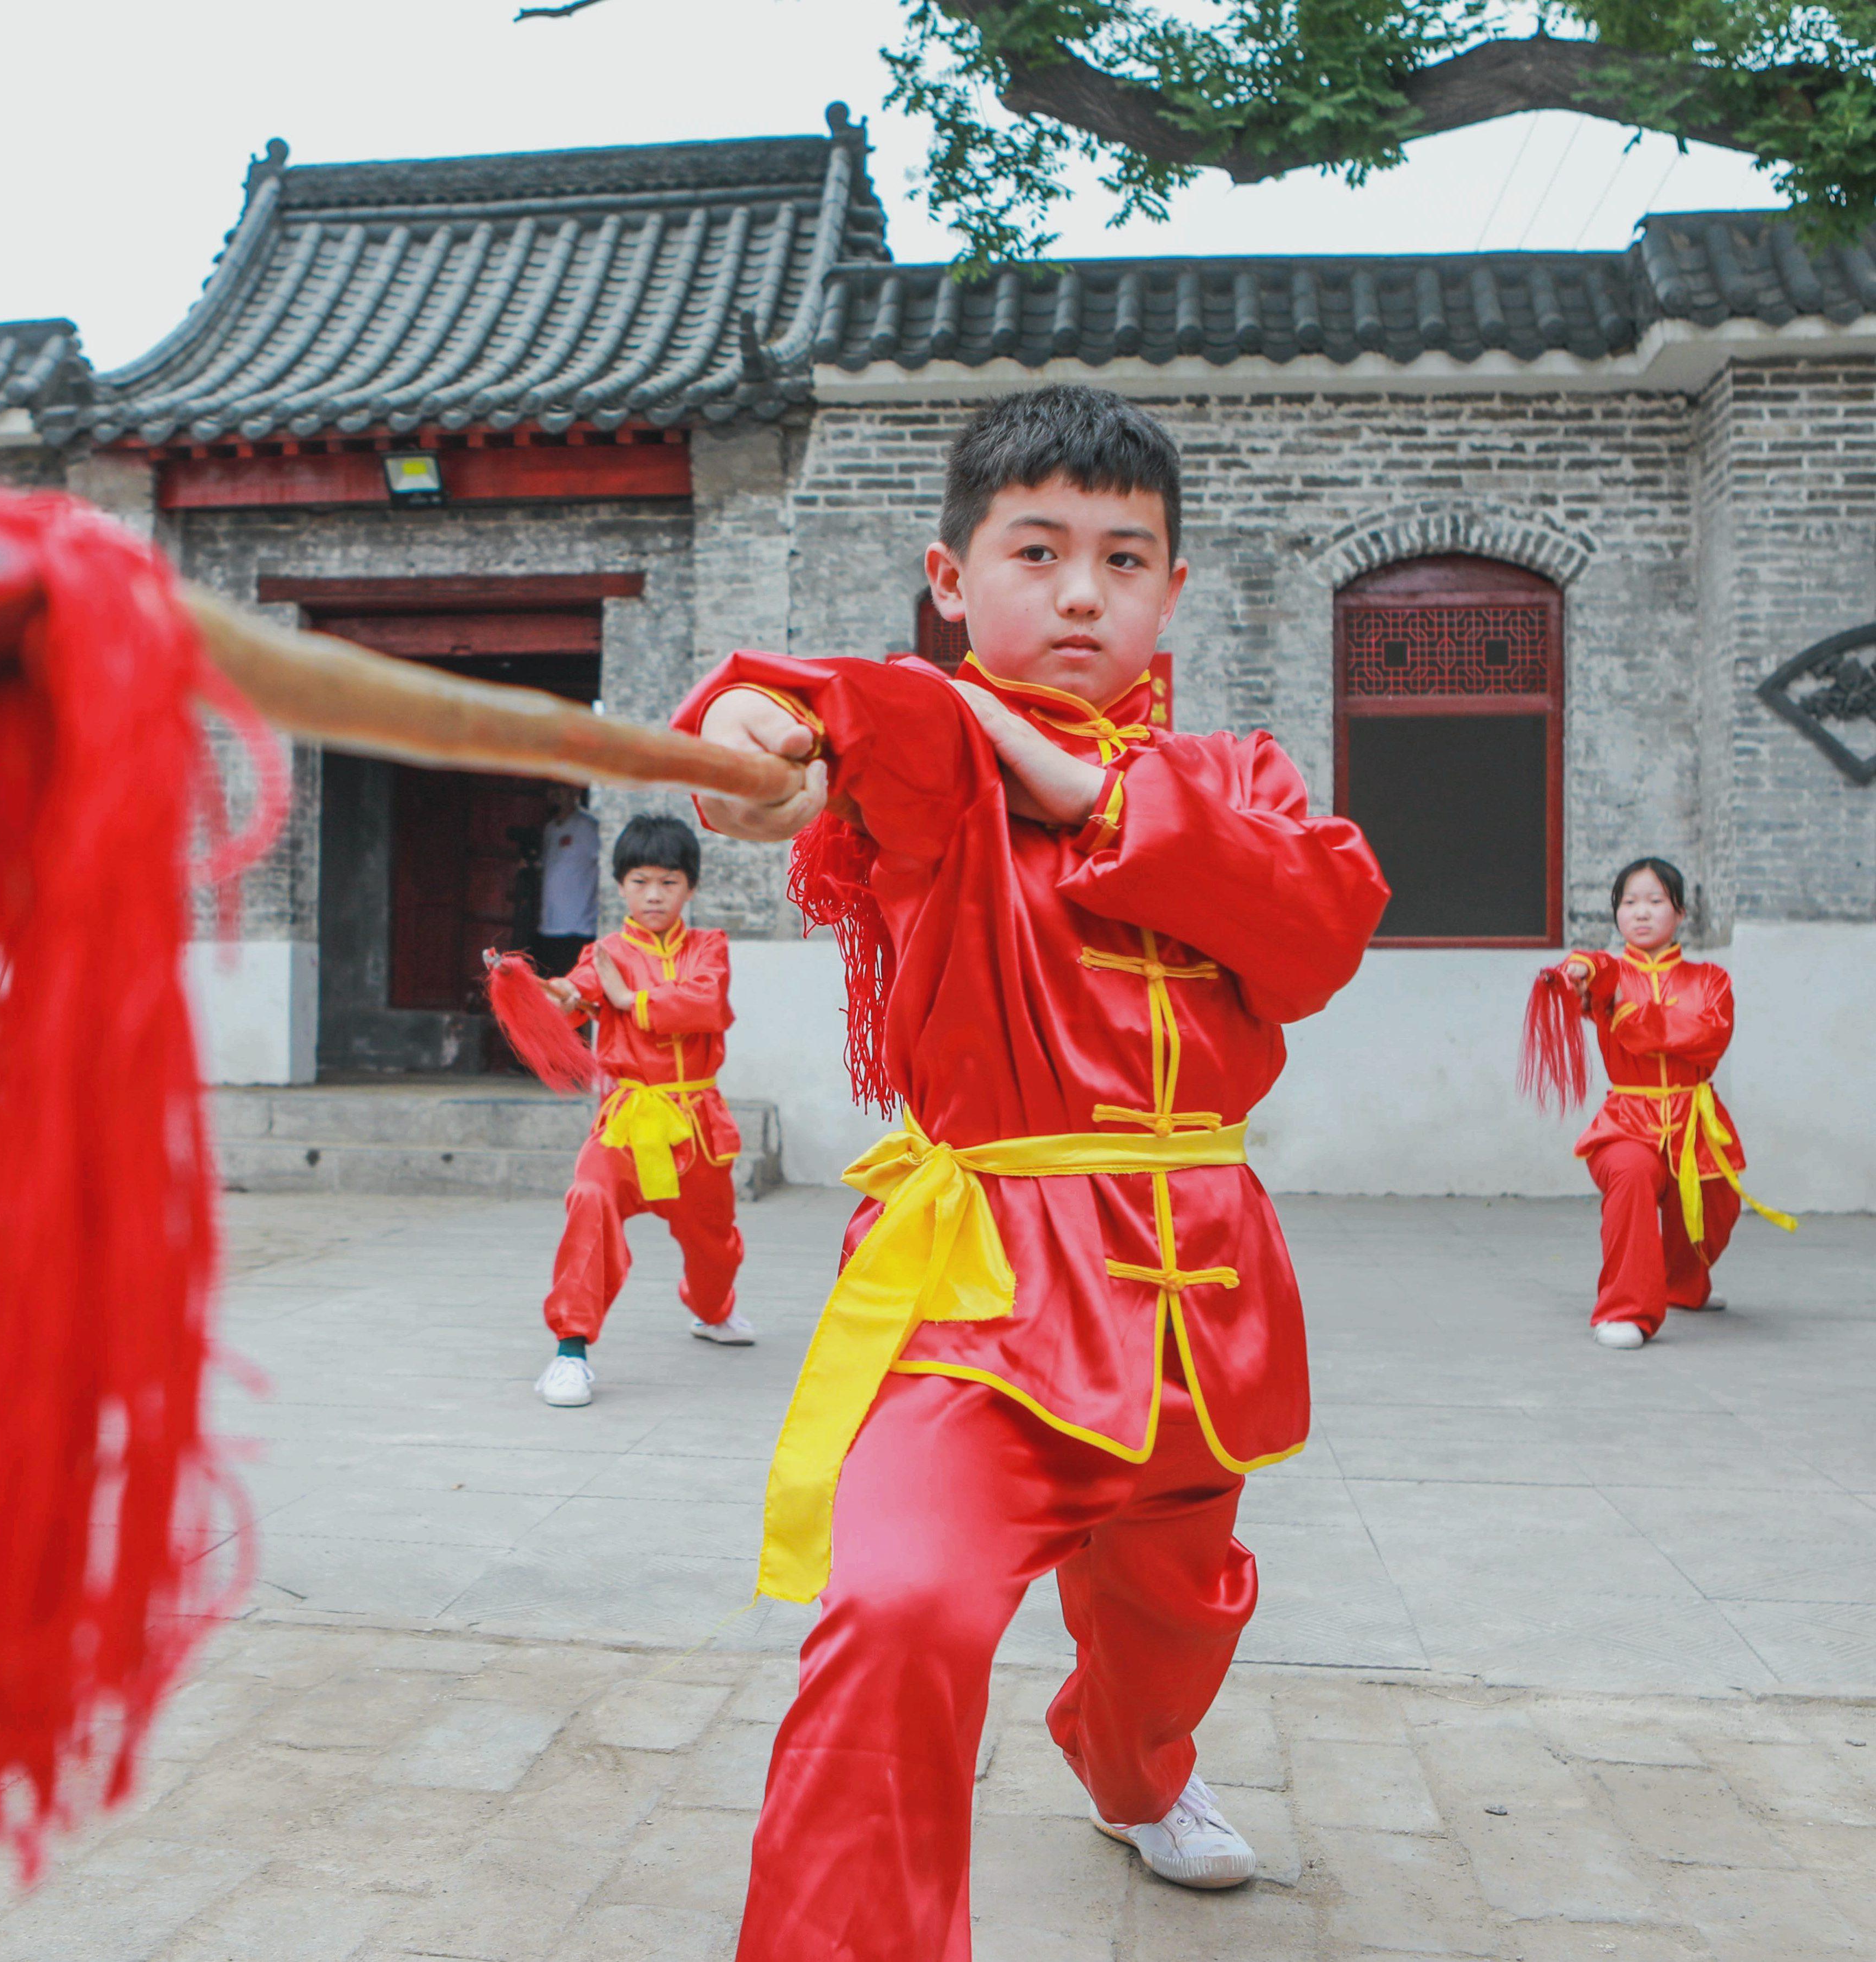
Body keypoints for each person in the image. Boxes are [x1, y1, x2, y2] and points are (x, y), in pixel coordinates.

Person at [679, 384, 1388, 1955]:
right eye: (1038, 549)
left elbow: (1318, 921)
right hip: (983, 1299)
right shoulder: (942, 765)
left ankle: (1130, 1772)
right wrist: (757, 739)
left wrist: (1084, 785)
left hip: (1201, 1301)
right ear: (953, 578)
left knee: (1175, 1632)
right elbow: (821, 721)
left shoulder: (1242, 777)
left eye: (1123, 558)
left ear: (1173, 591)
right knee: (901, 1607)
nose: (1080, 592)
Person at [532, 813, 749, 1408]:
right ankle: (570, 1352)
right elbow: (575, 995)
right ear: (620, 886)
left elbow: (706, 1004)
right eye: (640, 881)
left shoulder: (710, 948)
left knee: (715, 1245)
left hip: (696, 1127)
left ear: (691, 888)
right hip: (627, 1124)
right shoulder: (602, 952)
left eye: (669, 882)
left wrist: (631, 1000)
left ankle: (711, 1312)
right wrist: (562, 998)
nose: (654, 895)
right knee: (590, 1200)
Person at [1549, 857, 1793, 1351]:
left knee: (1717, 1207)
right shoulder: (1612, 975)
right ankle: (1625, 1309)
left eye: (1655, 901)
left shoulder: (1711, 981)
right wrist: (1578, 969)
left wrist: (1631, 1020)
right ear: (1616, 914)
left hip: (1695, 1121)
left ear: (1679, 911)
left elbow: (1706, 1037)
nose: (1641, 913)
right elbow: (1590, 971)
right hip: (1627, 1123)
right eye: (1629, 903)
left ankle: (1684, 1285)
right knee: (1633, 1174)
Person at [531, 784, 601, 977]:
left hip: (577, 928)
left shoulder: (587, 827)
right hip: (548, 925)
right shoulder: (551, 828)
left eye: (562, 789)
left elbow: (604, 866)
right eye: (554, 789)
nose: (556, 795)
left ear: (575, 793)